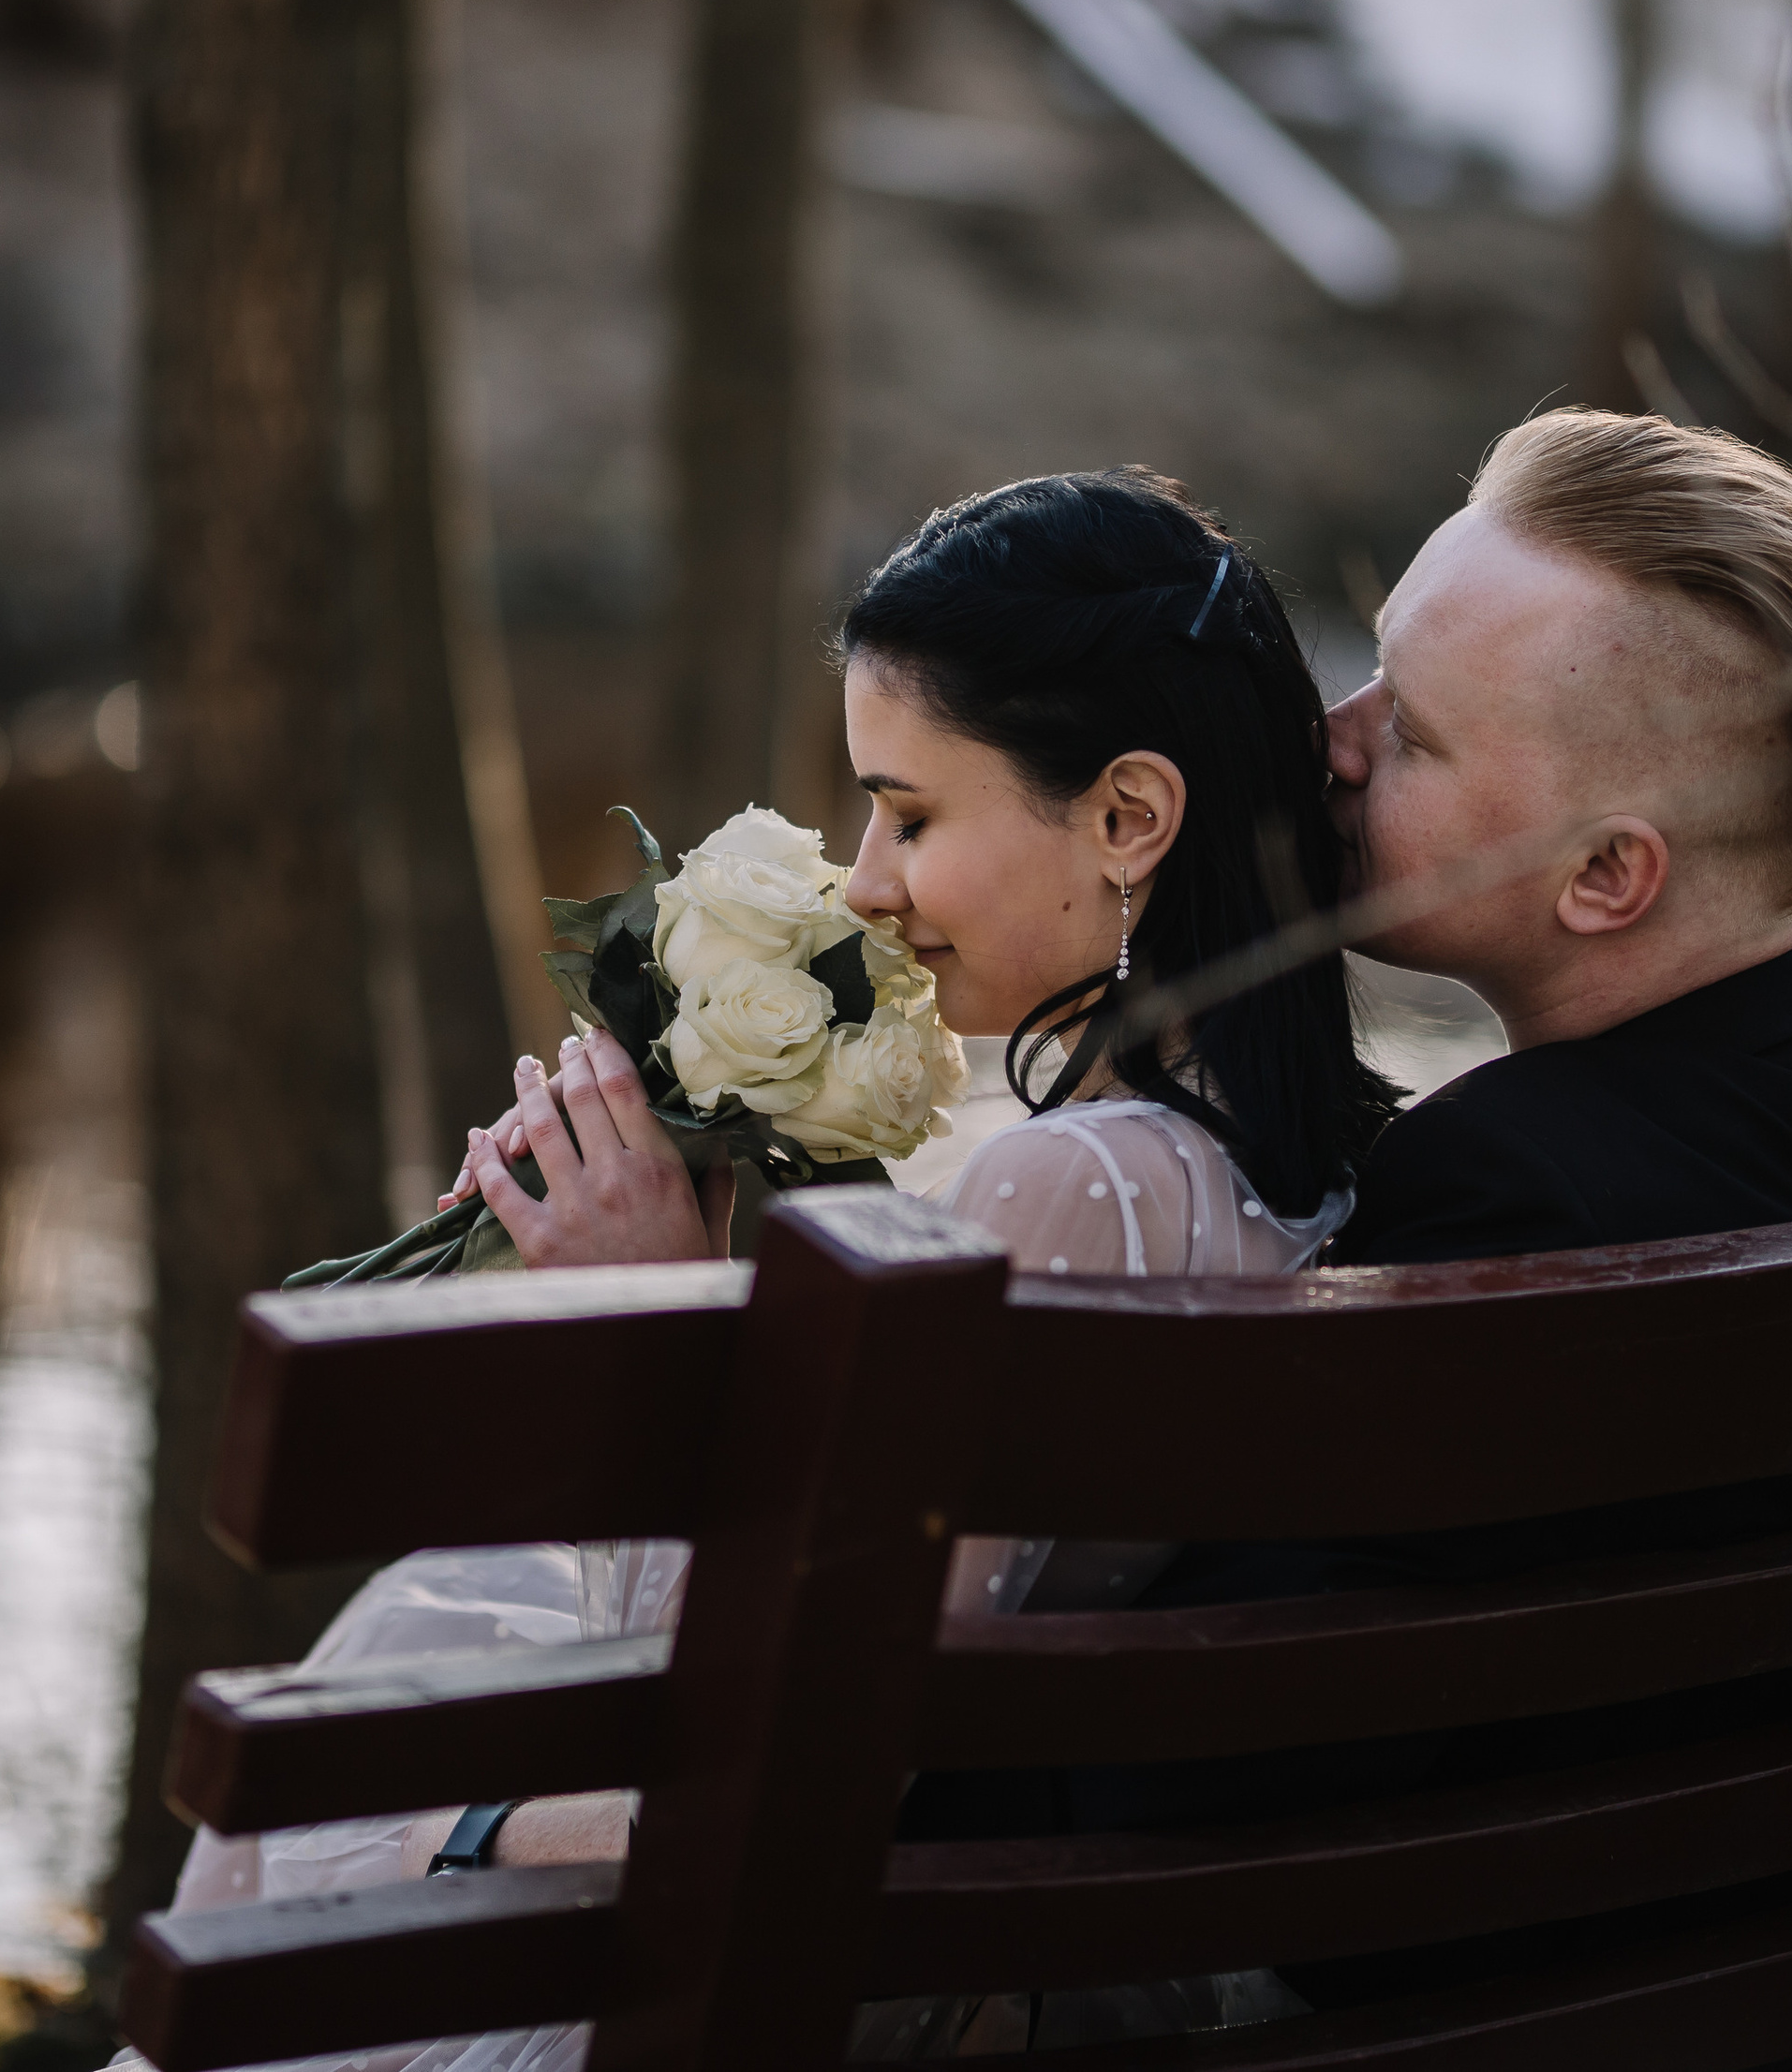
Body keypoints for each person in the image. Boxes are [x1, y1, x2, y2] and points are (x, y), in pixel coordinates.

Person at [150, 468, 1396, 2063]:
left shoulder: (1069, 1187)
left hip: (837, 1982)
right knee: (422, 1637)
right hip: (1040, 1911)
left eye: (915, 813)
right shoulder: (1334, 1161)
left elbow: (767, 1765)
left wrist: (649, 1312)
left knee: (348, 1790)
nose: (867, 879)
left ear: (1130, 816)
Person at [1320, 407, 1792, 1265]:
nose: (1330, 737)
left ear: (1606, 874)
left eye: (1408, 732)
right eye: (1377, 668)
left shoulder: (1507, 1191)